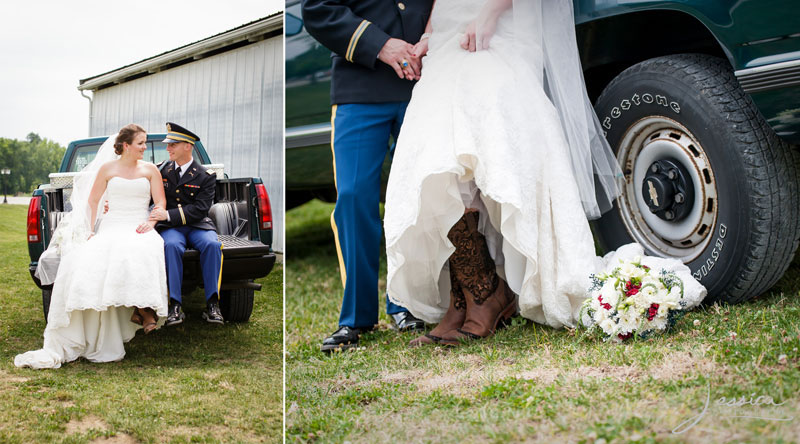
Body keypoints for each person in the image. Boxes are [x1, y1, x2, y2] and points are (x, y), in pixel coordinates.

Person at [384, 0, 707, 346]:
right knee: (437, 156)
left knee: (485, 140)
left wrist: (491, 12)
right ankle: (468, 295)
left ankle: (485, 297)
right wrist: (431, 30)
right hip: (452, 24)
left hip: (499, 20)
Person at [301, 0, 435, 352]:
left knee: (417, 197)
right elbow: (318, 10)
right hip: (359, 87)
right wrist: (381, 44)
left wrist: (430, 38)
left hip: (425, 82)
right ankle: (357, 317)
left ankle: (408, 305)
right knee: (354, 199)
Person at [15, 124, 168, 369]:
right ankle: (134, 314)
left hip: (139, 224)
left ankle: (144, 308)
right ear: (126, 145)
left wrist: (151, 222)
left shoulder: (150, 170)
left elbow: (160, 201)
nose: (144, 147)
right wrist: (89, 230)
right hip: (112, 224)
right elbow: (93, 200)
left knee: (143, 249)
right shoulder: (107, 169)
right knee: (97, 256)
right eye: (140, 143)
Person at [148, 122, 224, 326]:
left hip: (197, 225)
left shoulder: (205, 176)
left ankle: (212, 304)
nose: (168, 148)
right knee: (171, 246)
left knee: (213, 245)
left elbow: (201, 209)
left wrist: (167, 215)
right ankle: (174, 305)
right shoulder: (161, 171)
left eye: (173, 144)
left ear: (187, 146)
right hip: (172, 229)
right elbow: (149, 197)